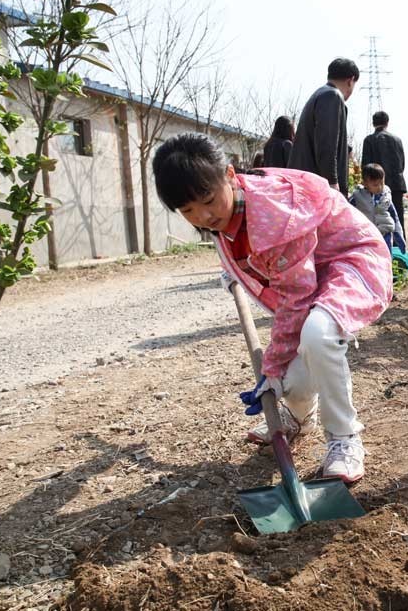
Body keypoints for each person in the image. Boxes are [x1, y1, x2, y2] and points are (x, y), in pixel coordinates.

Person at [152, 133, 392, 483]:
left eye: (207, 200)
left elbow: (296, 299)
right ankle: (297, 417)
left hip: (349, 260)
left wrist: (272, 368)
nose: (203, 216)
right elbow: (247, 251)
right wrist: (230, 269)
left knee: (317, 335)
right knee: (294, 379)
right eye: (188, 211)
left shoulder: (273, 212)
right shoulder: (226, 210)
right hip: (310, 277)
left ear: (231, 176)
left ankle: (344, 438)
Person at [288, 58, 359, 196]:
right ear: (351, 80)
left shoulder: (319, 94)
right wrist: (332, 182)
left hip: (305, 181)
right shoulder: (332, 96)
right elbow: (326, 143)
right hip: (318, 186)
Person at [361, 111, 407, 238]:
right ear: (387, 123)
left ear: (373, 123)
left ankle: (381, 249)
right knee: (398, 218)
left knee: (378, 220)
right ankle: (400, 250)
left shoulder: (369, 140)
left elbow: (366, 166)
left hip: (377, 185)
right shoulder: (397, 140)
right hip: (397, 184)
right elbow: (402, 164)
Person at [349, 163, 407, 255]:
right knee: (369, 258)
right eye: (375, 185)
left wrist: (399, 237)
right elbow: (347, 214)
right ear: (365, 183)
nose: (380, 187)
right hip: (366, 235)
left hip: (385, 233)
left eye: (382, 183)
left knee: (386, 257)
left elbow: (394, 217)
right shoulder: (357, 198)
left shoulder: (386, 197)